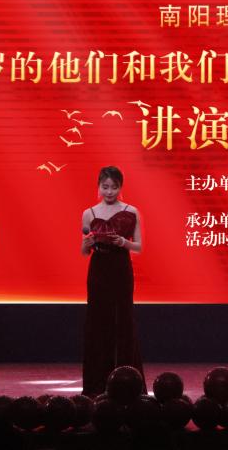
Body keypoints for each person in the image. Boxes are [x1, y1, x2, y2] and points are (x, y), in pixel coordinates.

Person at [80, 166, 145, 397]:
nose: (109, 192)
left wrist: (123, 243)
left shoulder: (131, 211)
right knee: (97, 322)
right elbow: (84, 252)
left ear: (120, 187)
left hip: (121, 268)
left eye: (114, 187)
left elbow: (138, 246)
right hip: (98, 269)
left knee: (123, 320)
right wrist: (86, 245)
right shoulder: (88, 213)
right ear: (98, 186)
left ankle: (128, 381)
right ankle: (96, 385)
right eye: (105, 187)